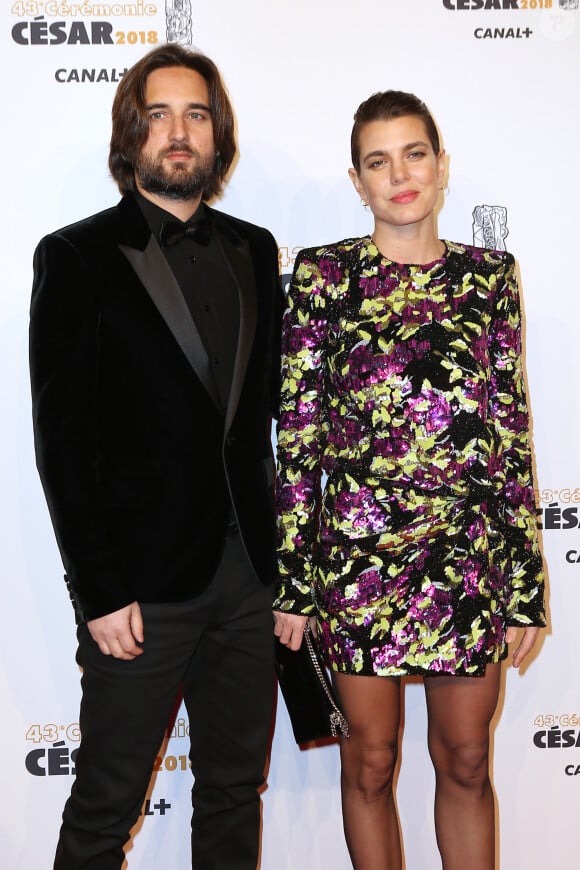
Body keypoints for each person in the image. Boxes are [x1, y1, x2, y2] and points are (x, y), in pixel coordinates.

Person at [273, 90, 545, 869]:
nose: (400, 175)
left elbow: (510, 435)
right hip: (355, 565)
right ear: (357, 181)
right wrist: (292, 583)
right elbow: (298, 441)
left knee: (465, 761)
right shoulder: (323, 278)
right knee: (371, 764)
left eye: (414, 154)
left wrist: (524, 584)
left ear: (442, 166)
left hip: (466, 558)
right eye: (378, 161)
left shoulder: (490, 277)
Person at [30, 43, 283, 870]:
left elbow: (257, 425)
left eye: (197, 114)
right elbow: (62, 441)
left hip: (248, 581)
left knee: (233, 792)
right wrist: (98, 589)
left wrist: (281, 573)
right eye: (160, 114)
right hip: (138, 592)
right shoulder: (74, 256)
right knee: (107, 805)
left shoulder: (256, 249)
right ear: (131, 134)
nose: (180, 131)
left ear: (218, 135)